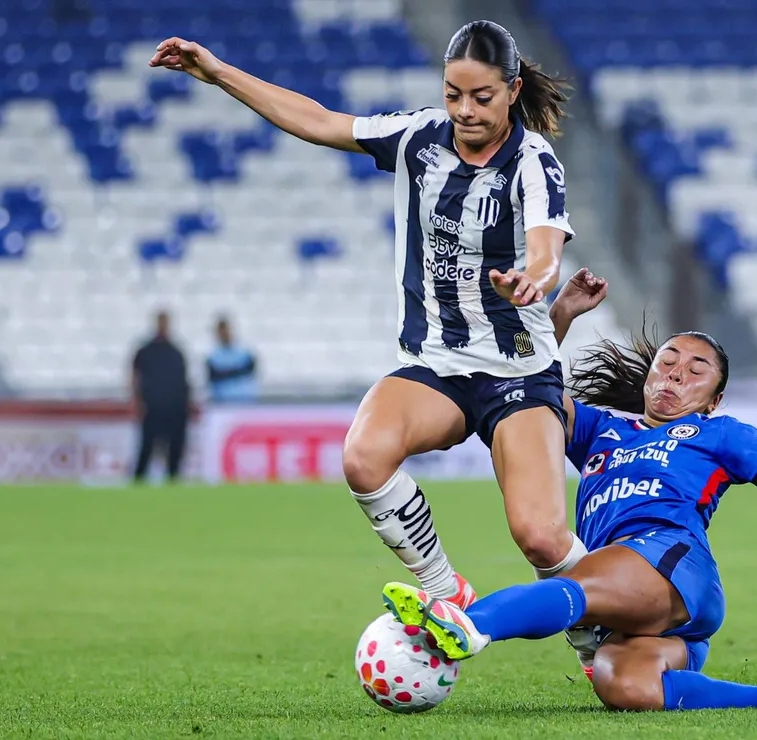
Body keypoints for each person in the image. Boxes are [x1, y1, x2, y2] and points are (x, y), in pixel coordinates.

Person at [149, 20, 592, 644]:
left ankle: (608, 623)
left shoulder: (533, 160)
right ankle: (443, 589)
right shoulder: (417, 137)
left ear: (513, 91)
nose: (464, 110)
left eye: (481, 97)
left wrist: (533, 279)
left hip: (517, 369)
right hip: (438, 364)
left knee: (541, 537)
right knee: (363, 457)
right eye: (453, 94)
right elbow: (319, 120)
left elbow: (547, 248)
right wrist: (219, 72)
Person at [380, 269, 757, 712]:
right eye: (667, 361)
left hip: (671, 563)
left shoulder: (717, 432)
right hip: (637, 598)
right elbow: (527, 393)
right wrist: (564, 312)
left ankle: (469, 623)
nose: (675, 372)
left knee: (582, 583)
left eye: (695, 369)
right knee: (624, 685)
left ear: (714, 398)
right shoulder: (603, 429)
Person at [131, 310, 192, 482]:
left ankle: (173, 480)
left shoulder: (176, 351)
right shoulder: (145, 351)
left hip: (175, 407)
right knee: (146, 447)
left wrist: (187, 404)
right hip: (152, 406)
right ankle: (139, 481)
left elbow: (185, 380)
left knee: (175, 449)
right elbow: (134, 376)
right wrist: (136, 401)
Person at [206, 316, 258, 404]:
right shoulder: (213, 356)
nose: (225, 334)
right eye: (221, 332)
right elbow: (213, 376)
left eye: (226, 330)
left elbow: (251, 370)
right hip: (222, 403)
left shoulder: (244, 352)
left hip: (245, 400)